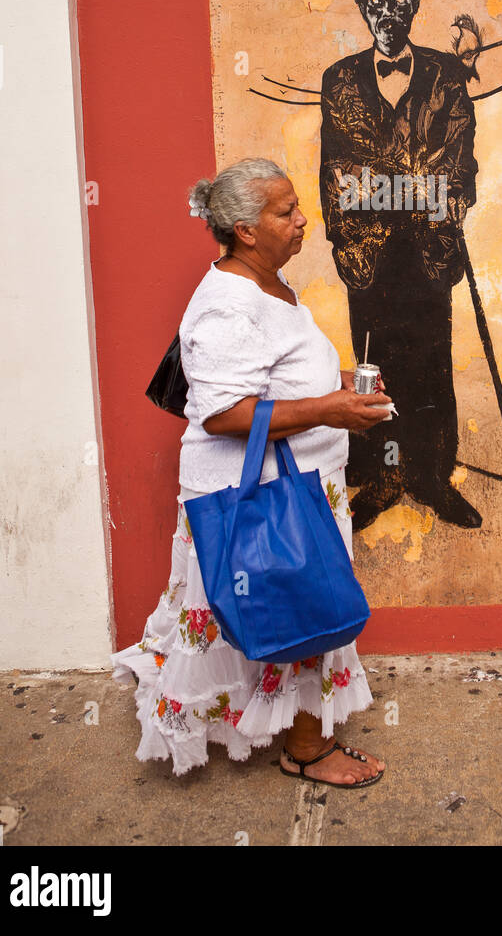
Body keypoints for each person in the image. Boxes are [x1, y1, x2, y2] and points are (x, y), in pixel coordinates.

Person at [112, 157, 391, 784]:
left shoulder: (270, 285)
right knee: (296, 612)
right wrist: (331, 408)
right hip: (263, 496)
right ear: (244, 228)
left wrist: (343, 388)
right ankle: (309, 749)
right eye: (285, 211)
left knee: (288, 614)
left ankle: (296, 736)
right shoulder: (224, 305)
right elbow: (223, 414)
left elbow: (272, 377)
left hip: (296, 488)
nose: (301, 220)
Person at [319, 0, 481, 531]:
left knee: (432, 363)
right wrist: (349, 231)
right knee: (374, 368)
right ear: (364, 9)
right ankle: (384, 475)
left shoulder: (446, 75)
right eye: (377, 2)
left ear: (414, 6)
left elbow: (460, 161)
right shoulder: (339, 80)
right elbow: (339, 172)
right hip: (368, 253)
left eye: (400, 0)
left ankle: (432, 476)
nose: (389, 12)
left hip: (430, 249)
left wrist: (445, 199)